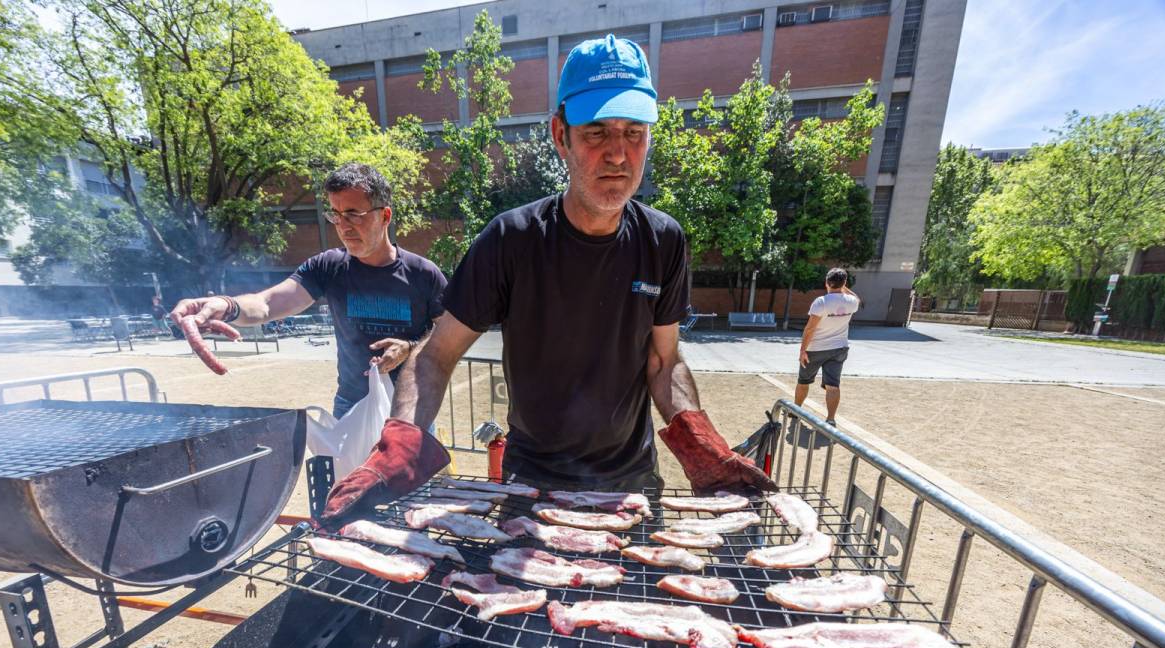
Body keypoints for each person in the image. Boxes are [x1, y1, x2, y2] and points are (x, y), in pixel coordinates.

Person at [321, 34, 775, 526]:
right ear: (561, 135)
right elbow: (435, 354)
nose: (619, 154)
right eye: (597, 132)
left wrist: (697, 440)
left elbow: (664, 361)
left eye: (634, 132)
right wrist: (402, 443)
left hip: (631, 482)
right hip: (532, 480)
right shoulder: (511, 239)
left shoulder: (663, 240)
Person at [170, 163, 447, 418]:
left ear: (385, 215)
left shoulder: (423, 273)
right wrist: (226, 305)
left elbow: (449, 337)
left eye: (353, 214)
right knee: (352, 473)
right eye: (335, 215)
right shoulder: (328, 266)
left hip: (410, 405)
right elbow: (267, 303)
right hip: (351, 405)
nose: (343, 226)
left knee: (413, 475)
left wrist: (409, 347)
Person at [795, 267, 861, 425]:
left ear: (826, 282)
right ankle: (831, 419)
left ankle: (796, 411)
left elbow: (810, 328)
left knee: (803, 381)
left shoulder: (821, 302)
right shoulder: (852, 302)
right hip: (839, 348)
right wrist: (843, 286)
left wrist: (803, 350)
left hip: (815, 349)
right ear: (844, 283)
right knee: (833, 385)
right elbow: (856, 297)